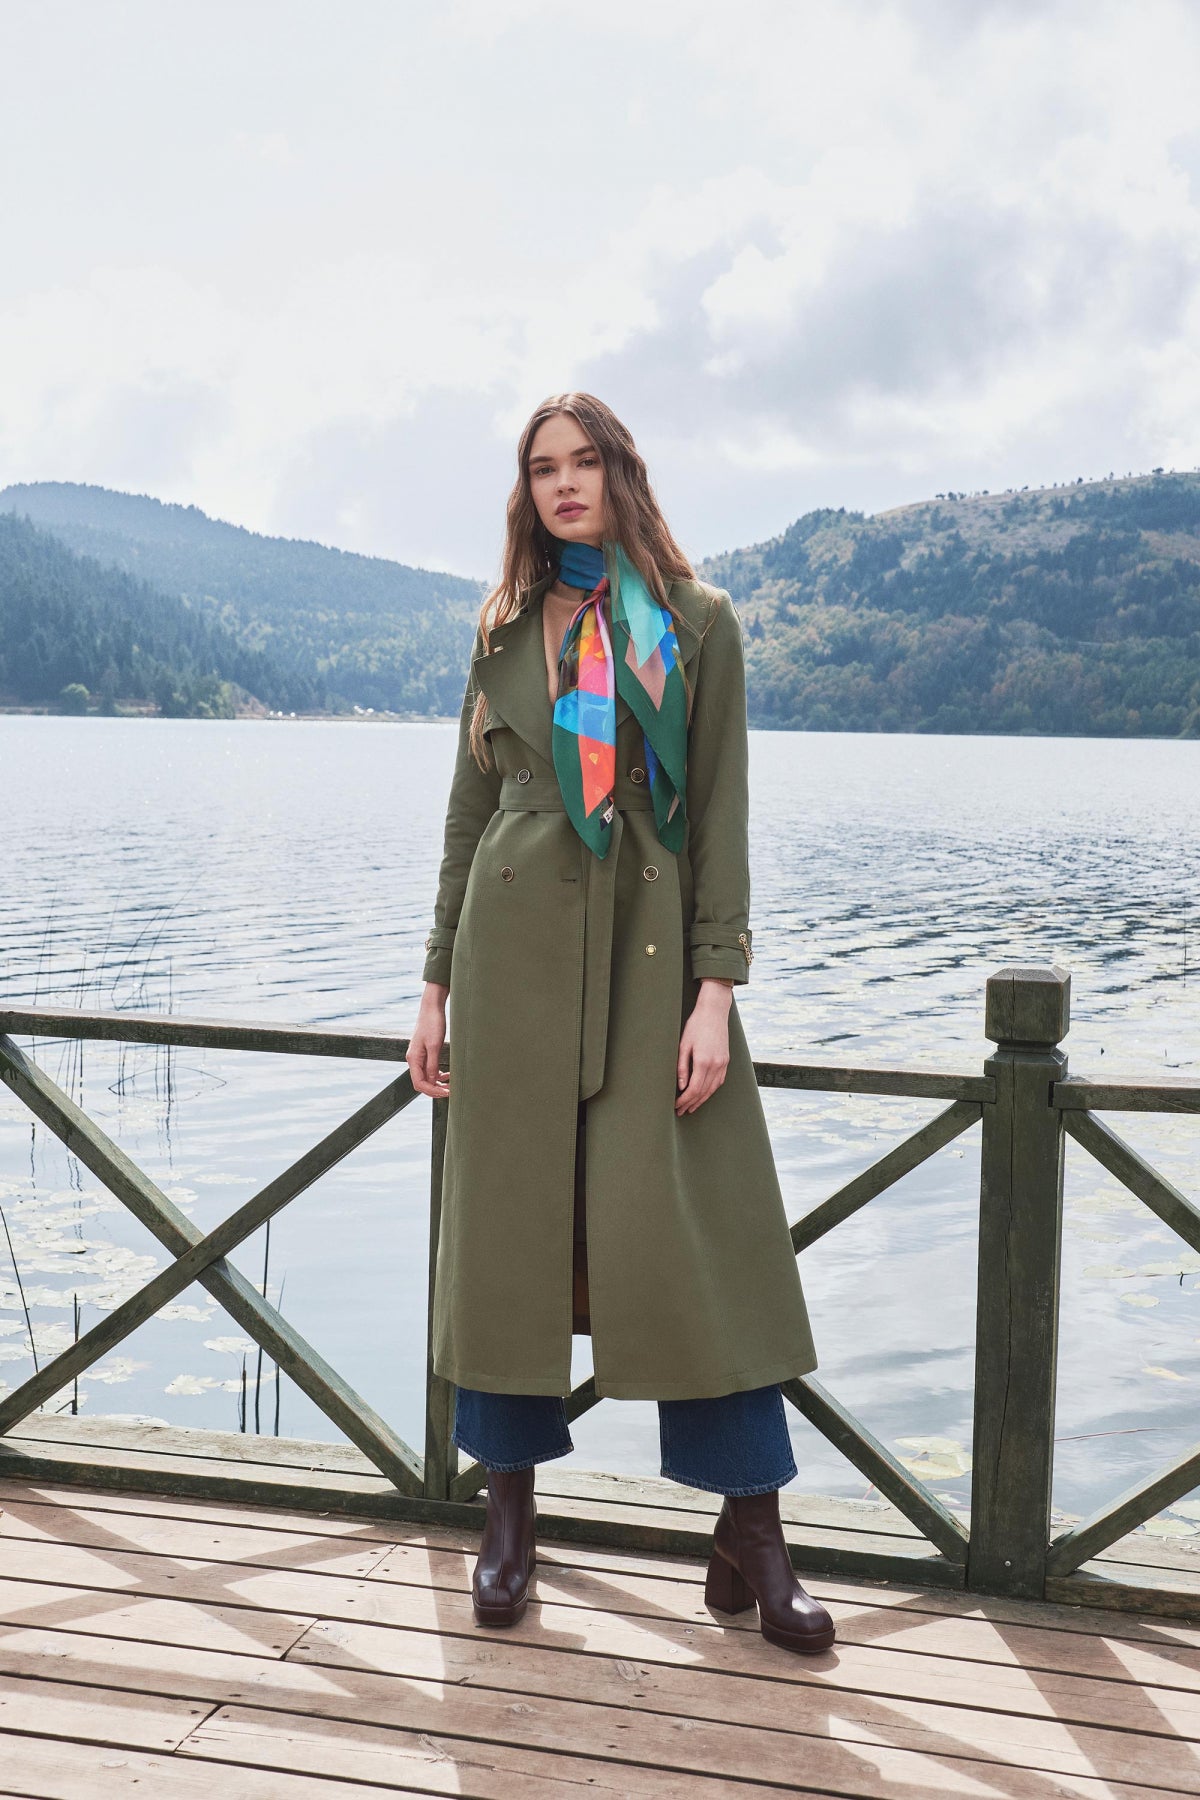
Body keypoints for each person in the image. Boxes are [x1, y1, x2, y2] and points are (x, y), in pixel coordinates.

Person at [407, 392, 834, 1656]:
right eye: (543, 466)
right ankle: (508, 1517)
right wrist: (434, 984)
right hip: (511, 960)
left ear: (621, 473)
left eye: (584, 460)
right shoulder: (501, 625)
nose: (564, 483)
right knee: (508, 1244)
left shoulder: (695, 622)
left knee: (696, 1245)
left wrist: (717, 990)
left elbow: (722, 812)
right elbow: (467, 815)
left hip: (654, 962)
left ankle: (753, 1529)